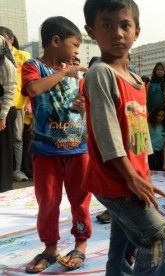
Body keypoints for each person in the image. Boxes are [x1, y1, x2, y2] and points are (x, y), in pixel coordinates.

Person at [82, 0, 165, 275]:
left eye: (124, 25)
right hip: (115, 180)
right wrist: (132, 177)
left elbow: (139, 135)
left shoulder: (134, 79)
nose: (117, 33)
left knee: (122, 243)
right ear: (91, 31)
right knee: (158, 238)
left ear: (137, 31)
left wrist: (143, 173)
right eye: (107, 25)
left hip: (131, 178)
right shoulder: (100, 73)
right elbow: (106, 133)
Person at [21, 16, 91, 273]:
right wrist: (63, 72)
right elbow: (34, 89)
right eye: (74, 44)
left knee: (80, 199)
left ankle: (81, 243)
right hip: (45, 149)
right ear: (55, 41)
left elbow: (81, 107)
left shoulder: (75, 75)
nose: (75, 51)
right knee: (48, 201)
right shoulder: (34, 66)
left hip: (78, 148)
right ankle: (50, 247)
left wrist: (82, 108)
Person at [0, 27, 31, 182]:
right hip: (5, 101)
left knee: (17, 137)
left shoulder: (22, 55)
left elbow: (28, 81)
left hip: (17, 101)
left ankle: (16, 170)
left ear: (10, 40)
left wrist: (28, 102)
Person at [0, 34, 17, 192]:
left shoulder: (6, 63)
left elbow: (10, 91)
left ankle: (4, 186)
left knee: (3, 149)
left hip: (4, 110)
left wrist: (2, 116)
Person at [148, 104, 165, 171]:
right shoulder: (149, 125)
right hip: (150, 153)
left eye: (162, 116)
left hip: (161, 153)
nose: (159, 118)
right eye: (158, 115)